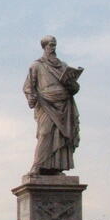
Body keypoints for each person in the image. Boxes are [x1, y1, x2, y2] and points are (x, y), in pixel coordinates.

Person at [24, 35, 83, 175]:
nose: (53, 48)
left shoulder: (63, 66)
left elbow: (74, 88)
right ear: (44, 46)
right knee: (45, 133)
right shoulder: (37, 65)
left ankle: (56, 167)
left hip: (64, 103)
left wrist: (72, 84)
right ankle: (37, 166)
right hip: (45, 103)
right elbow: (28, 87)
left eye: (54, 45)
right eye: (50, 45)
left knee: (60, 136)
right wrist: (30, 98)